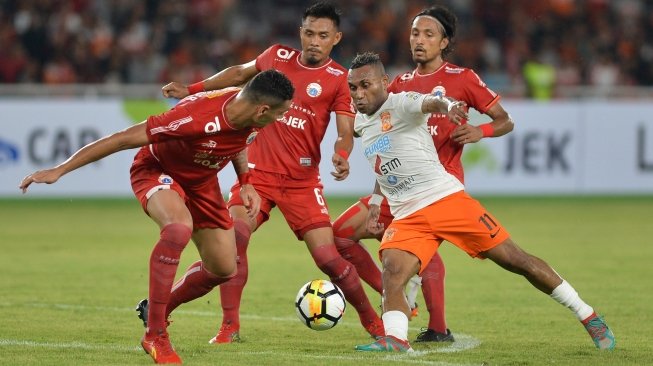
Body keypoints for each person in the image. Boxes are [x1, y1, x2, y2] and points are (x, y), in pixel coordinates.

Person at [19, 69, 295, 364]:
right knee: (178, 228)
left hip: (202, 181)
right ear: (263, 109)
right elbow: (123, 138)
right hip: (158, 171)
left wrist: (246, 180)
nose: (280, 119)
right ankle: (155, 335)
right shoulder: (196, 116)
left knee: (224, 267)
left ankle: (156, 308)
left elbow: (238, 142)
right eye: (280, 114)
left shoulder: (250, 113)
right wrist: (59, 170)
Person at [346, 52, 615, 352]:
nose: (359, 93)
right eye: (353, 87)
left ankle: (587, 314)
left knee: (518, 261)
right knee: (392, 274)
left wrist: (449, 106)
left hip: (445, 201)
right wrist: (375, 200)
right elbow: (384, 165)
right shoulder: (361, 123)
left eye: (365, 85)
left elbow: (432, 102)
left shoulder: (402, 102)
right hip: (407, 215)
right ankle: (396, 340)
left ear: (384, 82)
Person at [158, 1, 384, 344]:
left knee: (327, 257)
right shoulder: (276, 56)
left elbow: (344, 131)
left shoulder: (339, 79)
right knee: (235, 241)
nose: (314, 41)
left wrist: (341, 155)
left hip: (301, 182)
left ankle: (375, 325)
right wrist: (190, 89)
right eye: (309, 33)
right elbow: (236, 73)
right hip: (257, 176)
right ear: (300, 32)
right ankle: (227, 327)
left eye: (323, 35)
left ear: (335, 38)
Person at [332, 5, 515, 343]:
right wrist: (375, 198)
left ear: (444, 42)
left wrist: (481, 132)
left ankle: (437, 327)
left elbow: (506, 120)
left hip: (439, 185)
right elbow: (382, 148)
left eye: (429, 34)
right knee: (341, 235)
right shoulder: (398, 84)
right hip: (396, 186)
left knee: (423, 250)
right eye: (415, 33)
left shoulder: (463, 78)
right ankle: (403, 301)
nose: (419, 40)